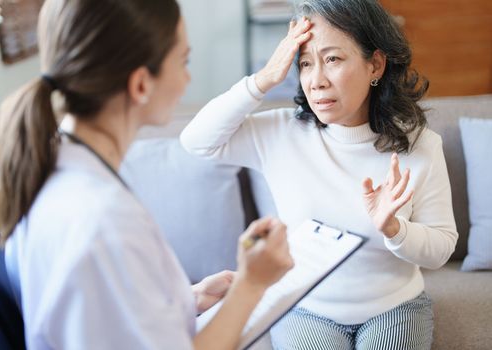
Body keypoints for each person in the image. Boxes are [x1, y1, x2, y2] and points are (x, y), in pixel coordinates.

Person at [0, 0, 294, 349]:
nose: (188, 78)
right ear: (140, 84)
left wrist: (187, 299)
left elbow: (108, 314)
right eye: (184, 61)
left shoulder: (52, 171)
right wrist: (252, 284)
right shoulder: (105, 219)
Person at [180, 0, 458, 349]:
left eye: (332, 59)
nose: (316, 81)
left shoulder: (420, 145)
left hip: (394, 308)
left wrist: (395, 229)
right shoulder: (282, 133)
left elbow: (441, 248)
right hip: (305, 307)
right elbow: (196, 142)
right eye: (306, 63)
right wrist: (264, 79)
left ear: (375, 64)